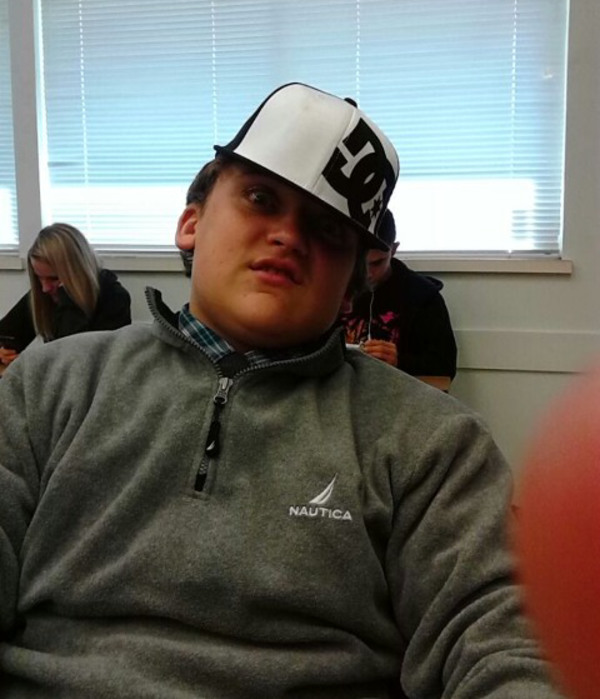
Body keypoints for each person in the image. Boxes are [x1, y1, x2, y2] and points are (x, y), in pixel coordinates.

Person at [0, 83, 563, 698]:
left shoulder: (433, 443)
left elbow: (500, 642)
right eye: (261, 198)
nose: (289, 236)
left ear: (351, 285)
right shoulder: (50, 385)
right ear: (191, 223)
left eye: (327, 229)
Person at [341, 209, 457, 391]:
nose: (367, 273)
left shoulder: (422, 297)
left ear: (394, 250)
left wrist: (399, 361)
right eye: (359, 263)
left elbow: (444, 369)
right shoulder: (334, 289)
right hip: (340, 394)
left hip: (399, 396)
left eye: (377, 263)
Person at [0, 222, 131, 370]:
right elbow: (6, 334)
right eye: (39, 278)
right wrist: (3, 353)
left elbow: (73, 359)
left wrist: (67, 298)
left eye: (54, 278)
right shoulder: (45, 293)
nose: (44, 288)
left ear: (77, 272)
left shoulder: (114, 298)